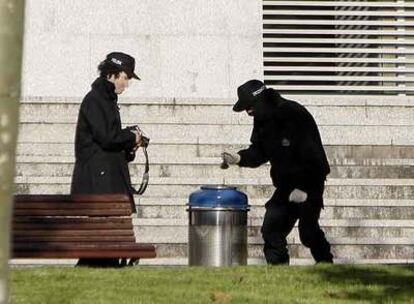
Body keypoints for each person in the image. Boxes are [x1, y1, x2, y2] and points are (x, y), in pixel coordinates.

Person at [221, 79, 333, 265]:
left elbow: (312, 155)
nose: (248, 112)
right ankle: (278, 269)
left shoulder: (293, 113)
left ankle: (326, 264)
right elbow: (259, 152)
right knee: (271, 229)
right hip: (286, 185)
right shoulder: (262, 120)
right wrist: (239, 158)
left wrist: (303, 188)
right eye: (246, 109)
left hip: (309, 181)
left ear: (261, 101)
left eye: (250, 107)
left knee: (308, 231)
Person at [71, 52, 143, 267]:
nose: (127, 83)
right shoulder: (97, 99)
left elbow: (108, 138)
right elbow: (106, 138)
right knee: (104, 226)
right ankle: (105, 262)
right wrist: (131, 136)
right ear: (114, 74)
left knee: (107, 227)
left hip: (104, 174)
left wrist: (130, 142)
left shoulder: (104, 98)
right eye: (126, 77)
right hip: (99, 178)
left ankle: (108, 261)